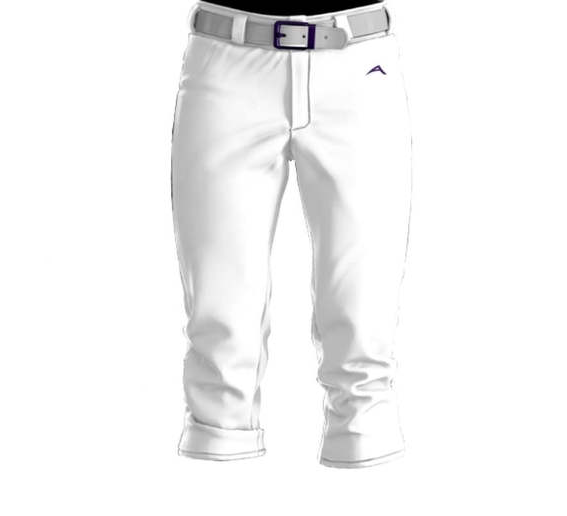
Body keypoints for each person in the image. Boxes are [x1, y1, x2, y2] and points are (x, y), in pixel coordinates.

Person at [170, 0, 413, 468]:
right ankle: (214, 467)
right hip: (226, 61)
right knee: (220, 323)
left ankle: (367, 467)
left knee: (364, 321)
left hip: (359, 63)